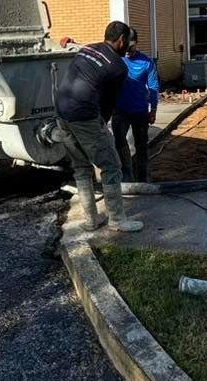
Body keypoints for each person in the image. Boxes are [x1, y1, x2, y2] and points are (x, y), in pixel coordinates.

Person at [54, 21, 144, 232]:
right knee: (111, 165)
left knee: (81, 166)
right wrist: (101, 128)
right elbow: (107, 105)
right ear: (121, 41)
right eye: (128, 42)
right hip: (84, 114)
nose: (129, 47)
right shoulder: (118, 67)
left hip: (61, 111)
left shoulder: (88, 48)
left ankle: (91, 221)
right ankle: (117, 220)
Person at [111, 28, 159, 183]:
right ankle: (126, 172)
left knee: (141, 146)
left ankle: (143, 177)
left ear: (136, 44)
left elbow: (153, 86)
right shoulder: (116, 59)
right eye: (126, 48)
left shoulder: (146, 62)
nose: (128, 52)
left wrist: (153, 109)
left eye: (131, 48)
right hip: (120, 111)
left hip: (139, 111)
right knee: (119, 141)